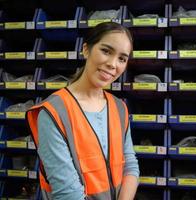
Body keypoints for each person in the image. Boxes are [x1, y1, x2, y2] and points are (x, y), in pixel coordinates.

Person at [26, 22, 139, 200]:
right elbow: (67, 193)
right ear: (86, 49)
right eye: (106, 51)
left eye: (122, 59)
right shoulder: (53, 112)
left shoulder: (119, 107)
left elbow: (130, 165)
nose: (112, 64)